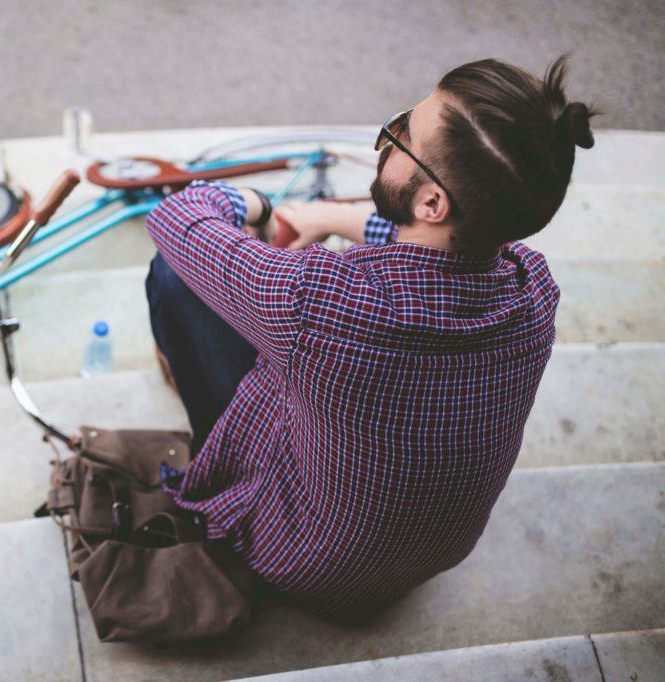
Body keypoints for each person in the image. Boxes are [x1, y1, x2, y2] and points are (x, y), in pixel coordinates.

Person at [144, 56, 597, 615]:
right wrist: (329, 216)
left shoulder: (319, 301)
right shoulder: (533, 289)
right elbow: (438, 237)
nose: (393, 133)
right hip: (424, 558)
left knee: (173, 274)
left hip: (302, 561)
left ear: (432, 202)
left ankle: (207, 415)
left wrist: (260, 206)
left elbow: (177, 217)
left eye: (405, 135)